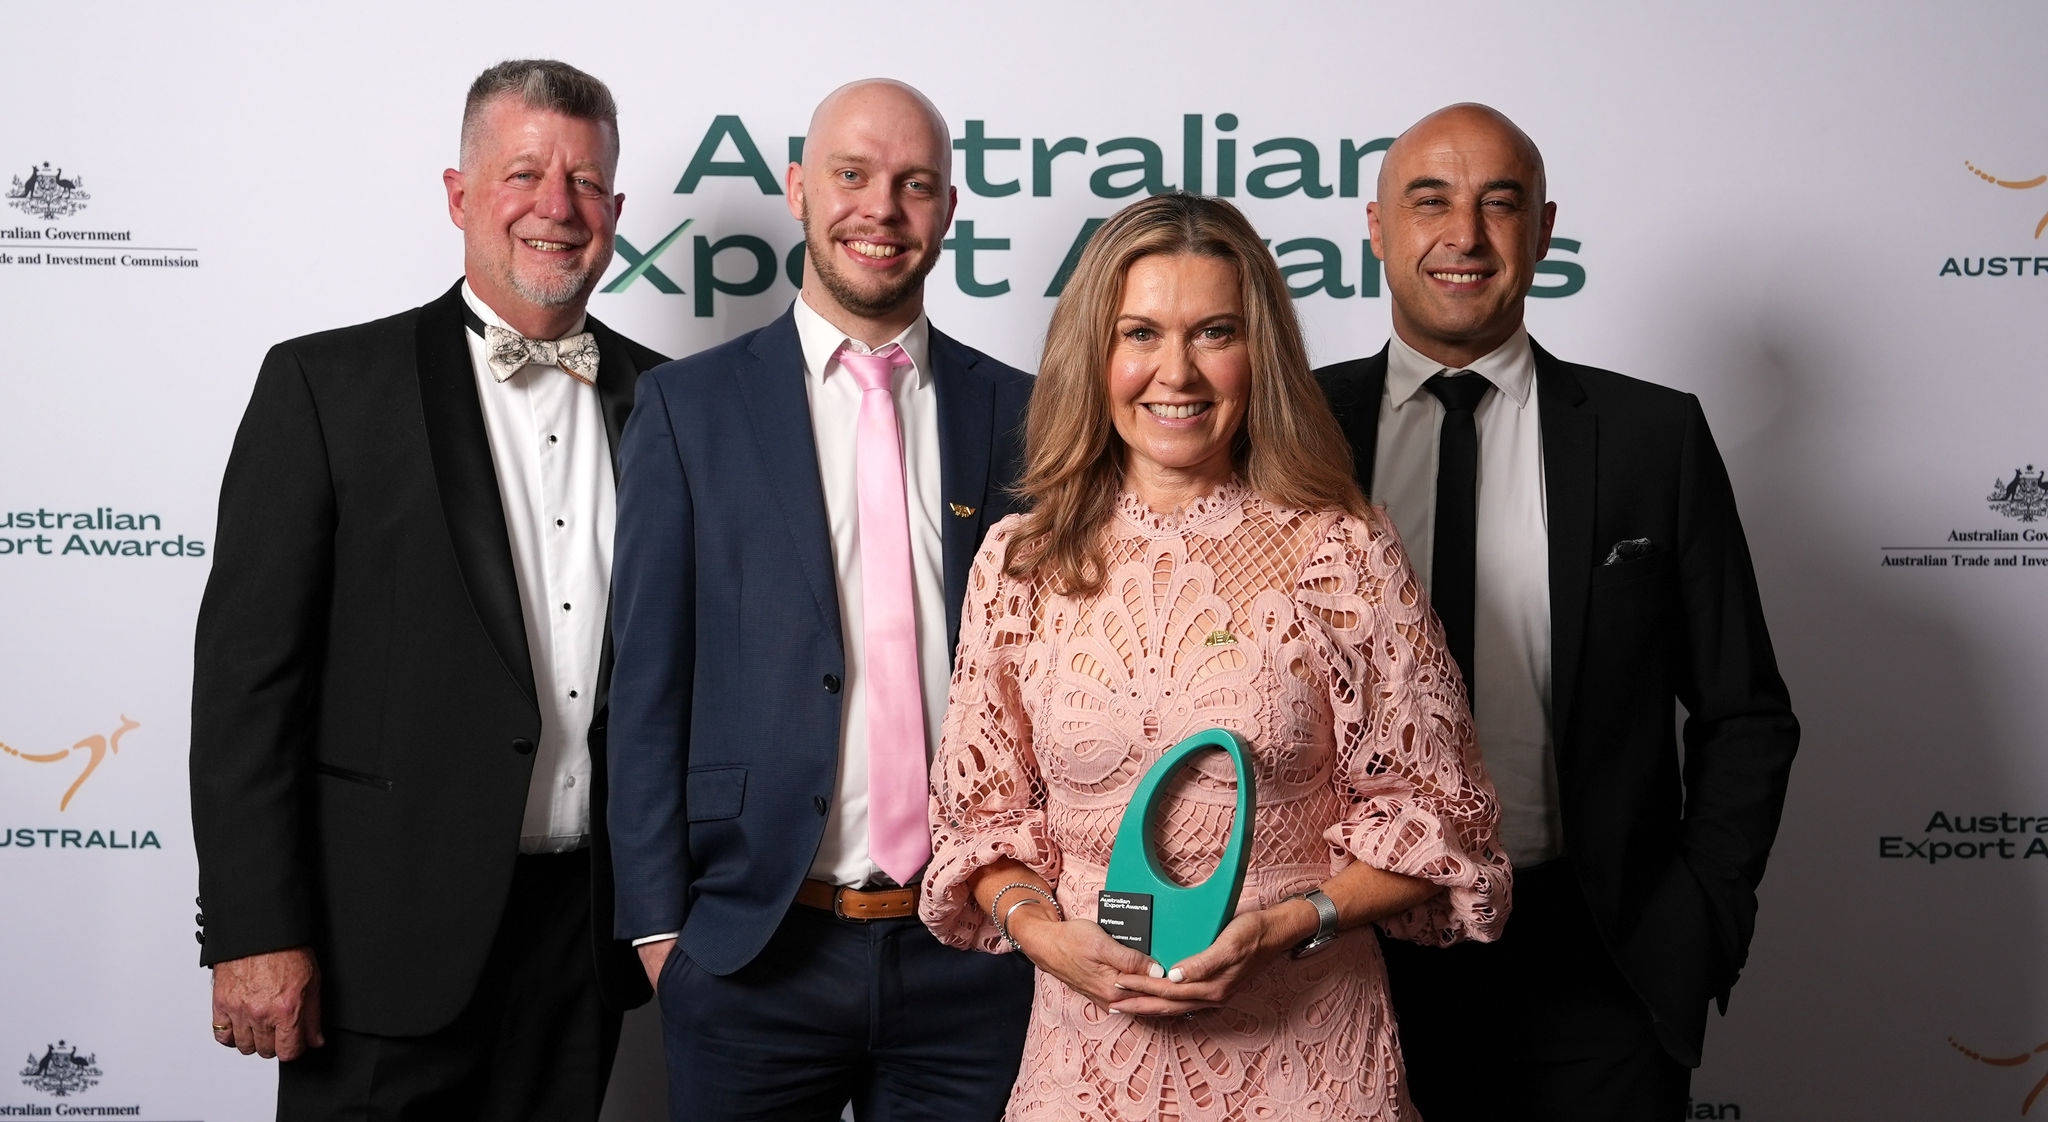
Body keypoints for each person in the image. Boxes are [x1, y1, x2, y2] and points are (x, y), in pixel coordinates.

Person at [918, 192, 1511, 1121]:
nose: (1176, 372)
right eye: (1141, 333)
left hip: (1309, 1054)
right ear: (1095, 353)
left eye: (1214, 332)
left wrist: (1286, 925)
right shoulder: (1019, 562)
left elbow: (1444, 821)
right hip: (1087, 1059)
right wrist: (1043, 935)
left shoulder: (1343, 551)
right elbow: (977, 829)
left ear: (1258, 352)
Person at [189, 59, 665, 1121]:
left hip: (582, 942)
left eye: (585, 183)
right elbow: (246, 690)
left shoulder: (675, 402)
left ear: (617, 213)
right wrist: (255, 929)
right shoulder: (323, 388)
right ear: (458, 196)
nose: (556, 207)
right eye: (524, 174)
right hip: (374, 946)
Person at [1315, 103, 1801, 1120]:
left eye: (1500, 203)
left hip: (1593, 966)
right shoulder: (1295, 436)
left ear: (1542, 230)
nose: (1464, 234)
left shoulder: (1648, 438)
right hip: (1344, 960)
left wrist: (1699, 920)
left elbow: (1743, 710)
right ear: (1374, 227)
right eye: (1430, 201)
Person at [606, 78, 1037, 1121]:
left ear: (946, 209)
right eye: (851, 175)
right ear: (799, 189)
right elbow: (645, 685)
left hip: (975, 955)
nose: (880, 210)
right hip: (754, 954)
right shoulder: (686, 409)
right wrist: (664, 938)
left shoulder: (1025, 413)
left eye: (915, 184)